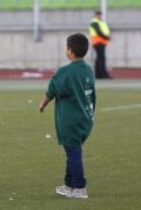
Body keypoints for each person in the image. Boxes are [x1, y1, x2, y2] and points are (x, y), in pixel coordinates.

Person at [38, 33, 96, 199]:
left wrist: (42, 103)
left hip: (70, 121)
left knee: (73, 153)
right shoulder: (88, 69)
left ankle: (79, 187)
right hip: (85, 118)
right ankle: (69, 185)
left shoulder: (66, 71)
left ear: (70, 51)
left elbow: (53, 89)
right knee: (73, 151)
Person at [89, 11, 111, 79]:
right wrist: (106, 37)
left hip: (100, 42)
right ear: (95, 15)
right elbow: (99, 32)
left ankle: (99, 74)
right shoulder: (94, 22)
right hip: (98, 42)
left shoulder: (98, 22)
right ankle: (103, 74)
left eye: (100, 15)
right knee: (101, 58)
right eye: (98, 15)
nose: (99, 16)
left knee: (99, 58)